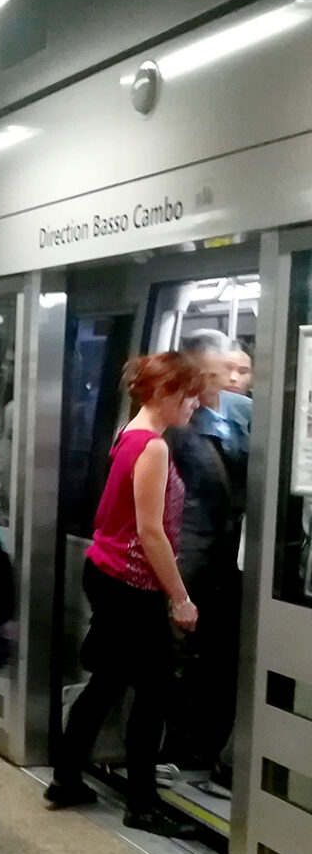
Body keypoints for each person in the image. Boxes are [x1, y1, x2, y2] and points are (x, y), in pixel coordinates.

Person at [45, 352, 203, 837]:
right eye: (189, 394)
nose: (195, 404)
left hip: (109, 573)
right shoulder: (152, 447)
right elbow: (150, 532)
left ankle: (67, 778)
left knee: (108, 681)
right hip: (133, 582)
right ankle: (142, 804)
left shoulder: (126, 435)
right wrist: (180, 597)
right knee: (153, 692)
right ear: (164, 393)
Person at [163, 330, 251, 789]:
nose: (238, 379)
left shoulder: (242, 417)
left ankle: (202, 745)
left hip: (229, 561)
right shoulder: (180, 429)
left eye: (244, 369)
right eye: (225, 371)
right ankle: (178, 747)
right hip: (193, 559)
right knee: (185, 657)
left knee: (219, 657)